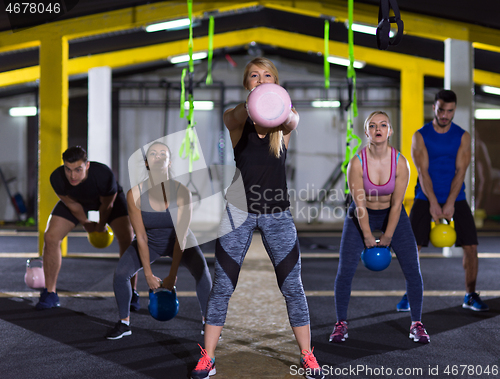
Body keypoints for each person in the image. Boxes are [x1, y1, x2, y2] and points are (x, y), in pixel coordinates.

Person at [190, 57, 324, 379]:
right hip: (238, 213)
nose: (261, 80)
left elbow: (293, 120)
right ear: (247, 84)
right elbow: (237, 113)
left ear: (277, 84)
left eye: (268, 76)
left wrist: (278, 105)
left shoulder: (283, 125)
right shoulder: (235, 120)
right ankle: (207, 358)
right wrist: (255, 104)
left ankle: (307, 355)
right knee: (222, 286)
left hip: (277, 214)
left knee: (293, 287)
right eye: (254, 76)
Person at [330, 111, 430, 344]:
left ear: (389, 131)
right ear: (366, 132)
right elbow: (359, 203)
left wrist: (388, 235)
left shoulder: (400, 162)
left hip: (391, 215)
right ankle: (340, 324)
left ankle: (417, 323)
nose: (378, 129)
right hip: (360, 215)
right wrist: (366, 234)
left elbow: (397, 204)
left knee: (413, 270)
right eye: (372, 125)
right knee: (345, 271)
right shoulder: (356, 162)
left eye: (383, 125)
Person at [105, 141, 212, 339]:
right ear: (147, 163)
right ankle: (124, 323)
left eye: (163, 153)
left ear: (169, 162)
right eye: (153, 153)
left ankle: (209, 323)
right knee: (121, 274)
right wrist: (147, 274)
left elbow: (181, 235)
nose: (159, 156)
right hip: (150, 241)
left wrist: (172, 275)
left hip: (180, 240)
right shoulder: (135, 194)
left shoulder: (182, 192)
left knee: (203, 272)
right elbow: (141, 236)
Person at [396, 90, 489, 312]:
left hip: (456, 197)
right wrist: (434, 204)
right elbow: (423, 171)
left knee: (471, 246)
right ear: (434, 109)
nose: (445, 115)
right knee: (412, 247)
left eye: (449, 111)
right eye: (441, 110)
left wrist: (449, 202)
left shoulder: (462, 136)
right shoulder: (420, 136)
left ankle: (470, 294)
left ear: (454, 110)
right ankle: (410, 293)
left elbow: (461, 171)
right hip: (424, 195)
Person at [36, 146, 136, 310]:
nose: (72, 176)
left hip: (109, 202)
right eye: (68, 169)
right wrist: (86, 223)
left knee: (127, 237)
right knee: (51, 237)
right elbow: (71, 204)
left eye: (78, 169)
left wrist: (101, 226)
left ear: (87, 165)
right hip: (78, 202)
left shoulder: (103, 175)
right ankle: (50, 293)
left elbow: (107, 204)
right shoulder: (57, 177)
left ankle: (131, 292)